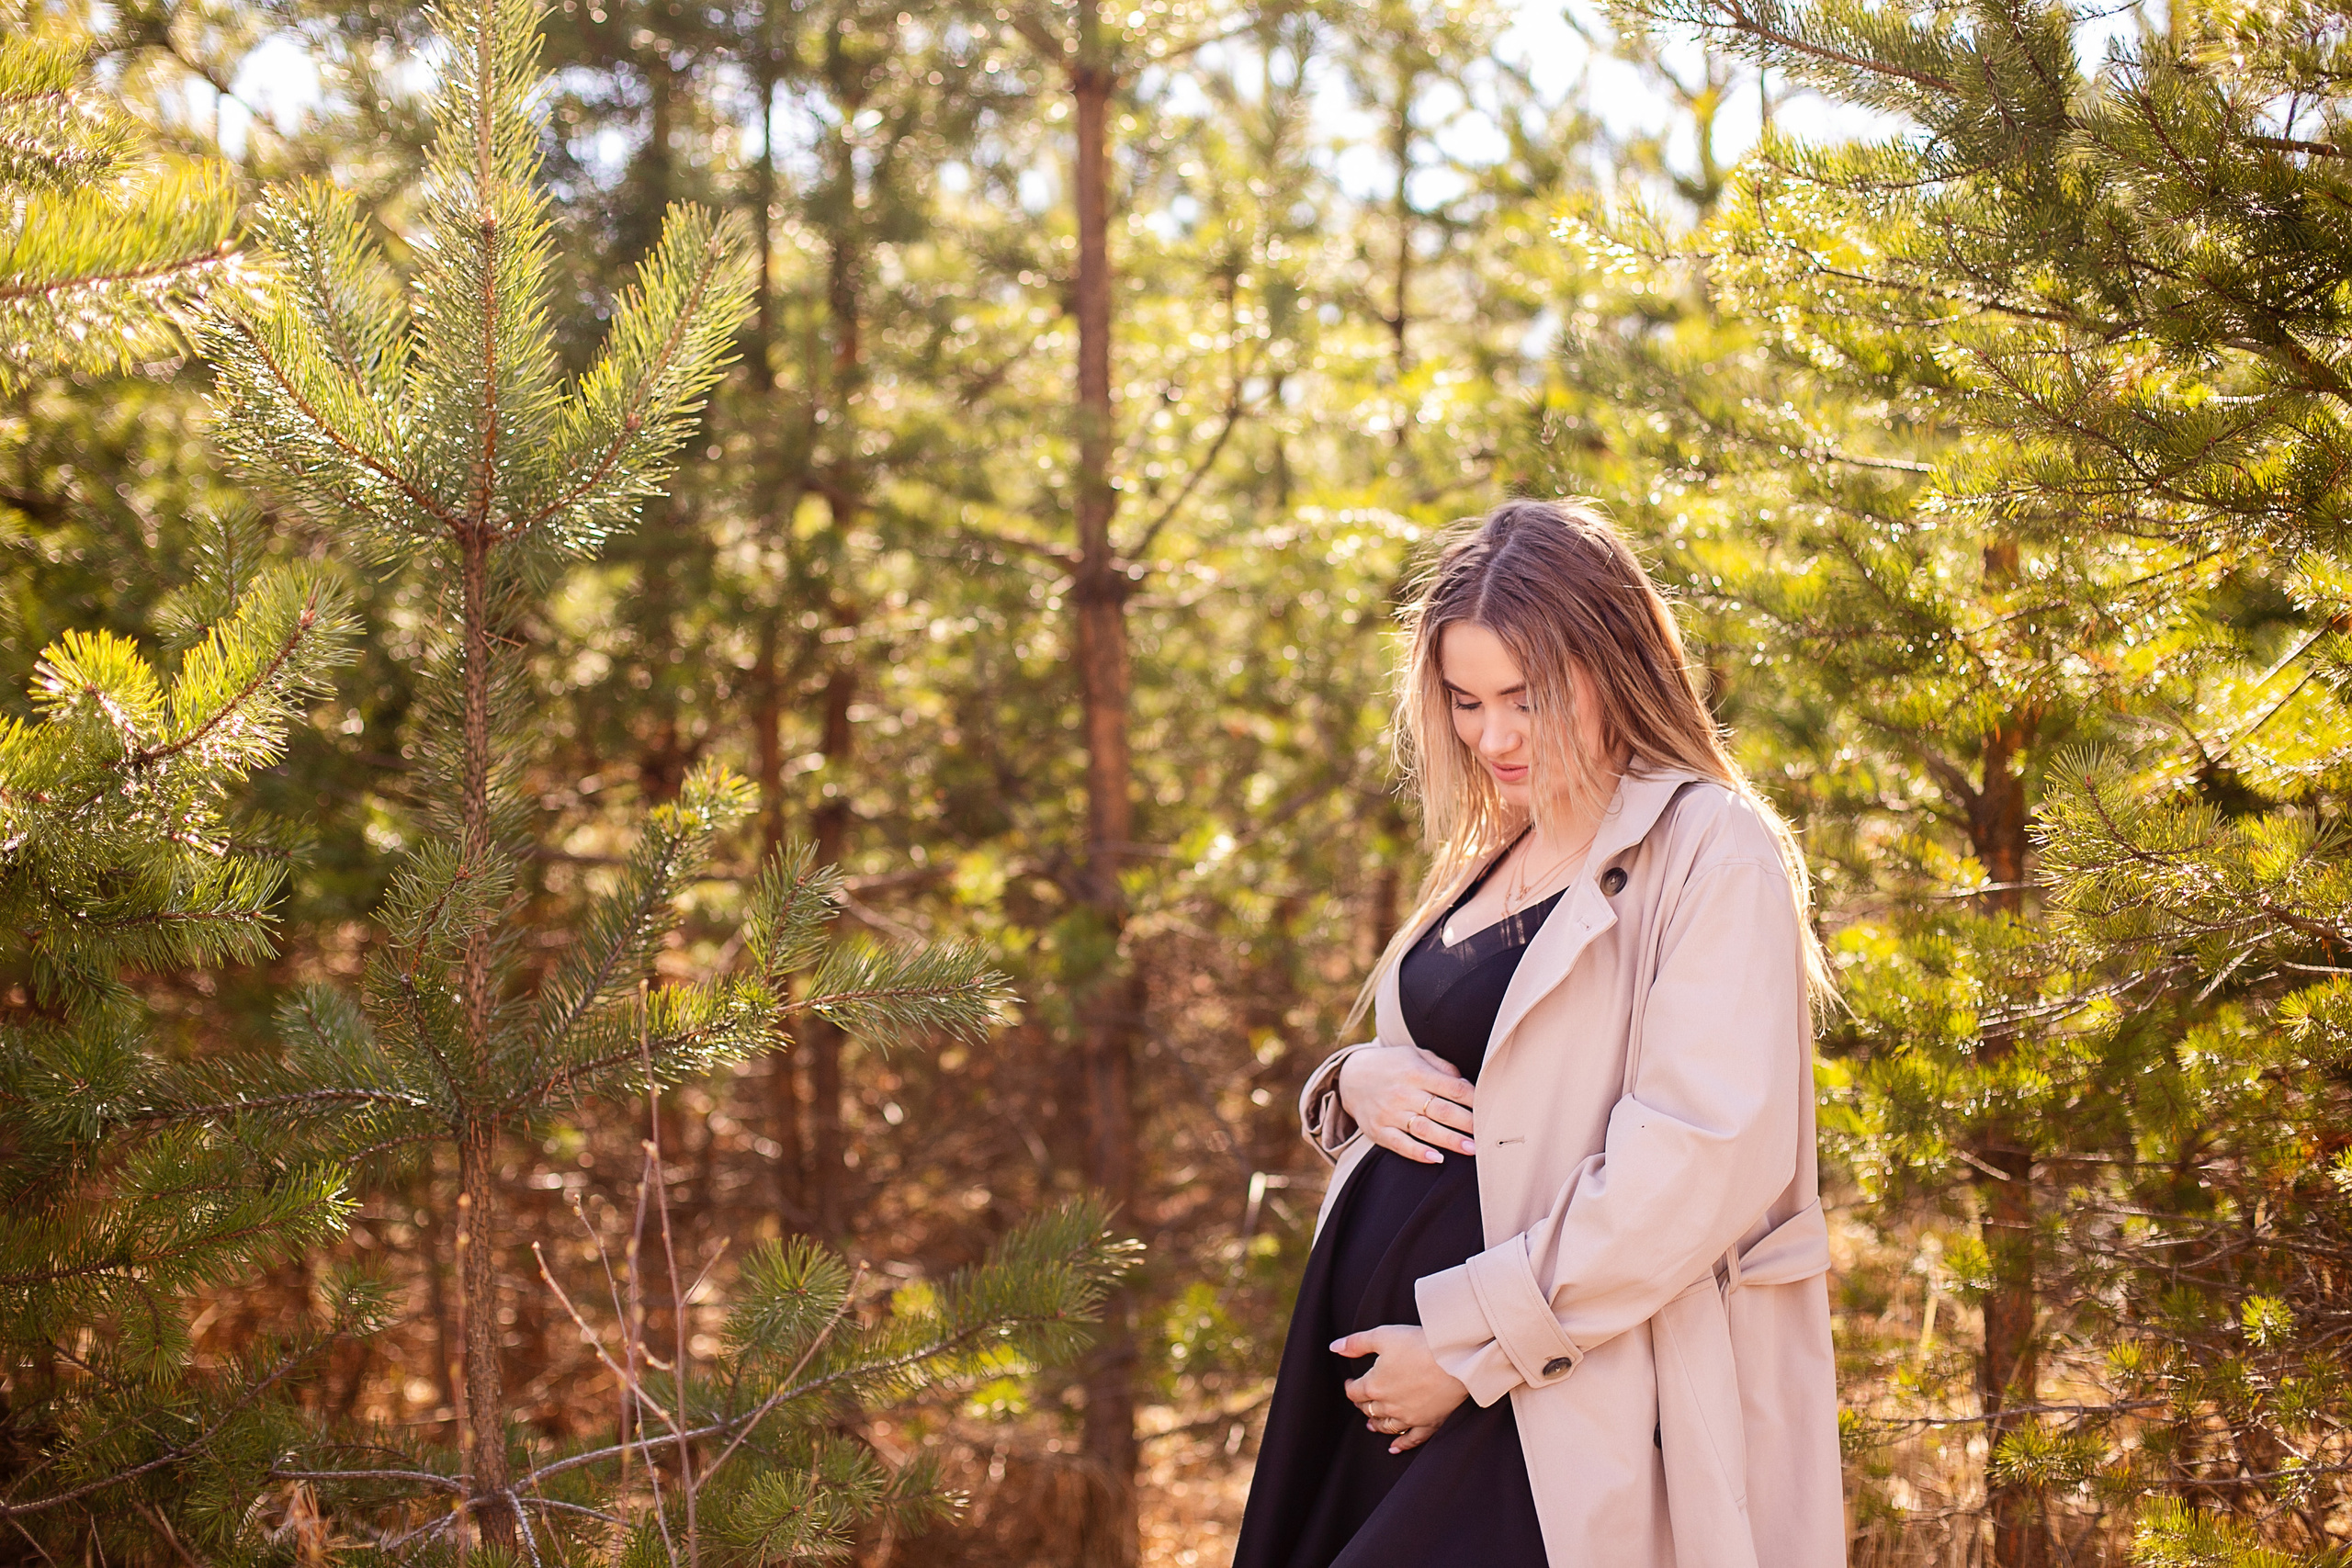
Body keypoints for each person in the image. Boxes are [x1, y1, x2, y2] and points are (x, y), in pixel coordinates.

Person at [1231, 499, 1845, 1568]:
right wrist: (1355, 1078)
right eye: (1466, 702)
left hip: (1547, 1393)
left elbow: (1699, 1158)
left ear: (1614, 663)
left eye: (1526, 697)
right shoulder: (1496, 845)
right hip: (1401, 1389)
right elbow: (1461, 1066)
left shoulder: (1709, 847)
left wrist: (1469, 1344)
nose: (1493, 736)